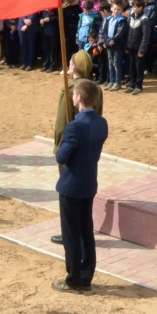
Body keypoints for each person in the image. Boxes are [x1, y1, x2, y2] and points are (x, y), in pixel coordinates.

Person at [49, 79, 108, 294]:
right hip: (89, 182)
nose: (72, 97)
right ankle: (86, 275)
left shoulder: (75, 126)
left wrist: (57, 151)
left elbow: (62, 157)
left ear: (80, 98)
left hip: (71, 186)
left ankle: (73, 278)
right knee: (86, 231)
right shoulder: (102, 122)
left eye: (74, 94)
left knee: (72, 234)